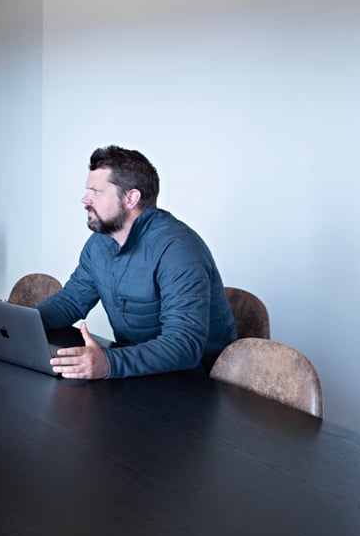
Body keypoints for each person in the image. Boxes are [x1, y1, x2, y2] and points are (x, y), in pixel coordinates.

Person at [38, 145, 237, 380]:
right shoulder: (99, 244)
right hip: (136, 374)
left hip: (195, 386)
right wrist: (25, 320)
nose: (85, 199)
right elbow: (72, 301)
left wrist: (108, 363)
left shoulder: (179, 250)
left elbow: (184, 344)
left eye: (95, 191)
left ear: (131, 198)